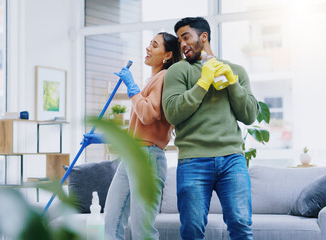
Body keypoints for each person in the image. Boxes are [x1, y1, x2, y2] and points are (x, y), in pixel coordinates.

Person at [161, 17, 258, 239]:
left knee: (241, 225)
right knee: (192, 230)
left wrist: (233, 84)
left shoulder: (236, 70)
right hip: (193, 160)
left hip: (232, 159)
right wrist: (202, 84)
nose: (182, 44)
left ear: (203, 37)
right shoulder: (178, 71)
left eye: (186, 37)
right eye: (179, 40)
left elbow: (250, 115)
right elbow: (173, 112)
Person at [82, 32, 182, 239]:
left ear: (168, 55)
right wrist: (99, 139)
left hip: (148, 158)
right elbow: (137, 132)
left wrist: (131, 86)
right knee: (111, 222)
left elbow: (147, 115)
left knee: (142, 230)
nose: (147, 48)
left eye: (154, 45)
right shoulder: (151, 81)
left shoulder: (165, 78)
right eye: (149, 43)